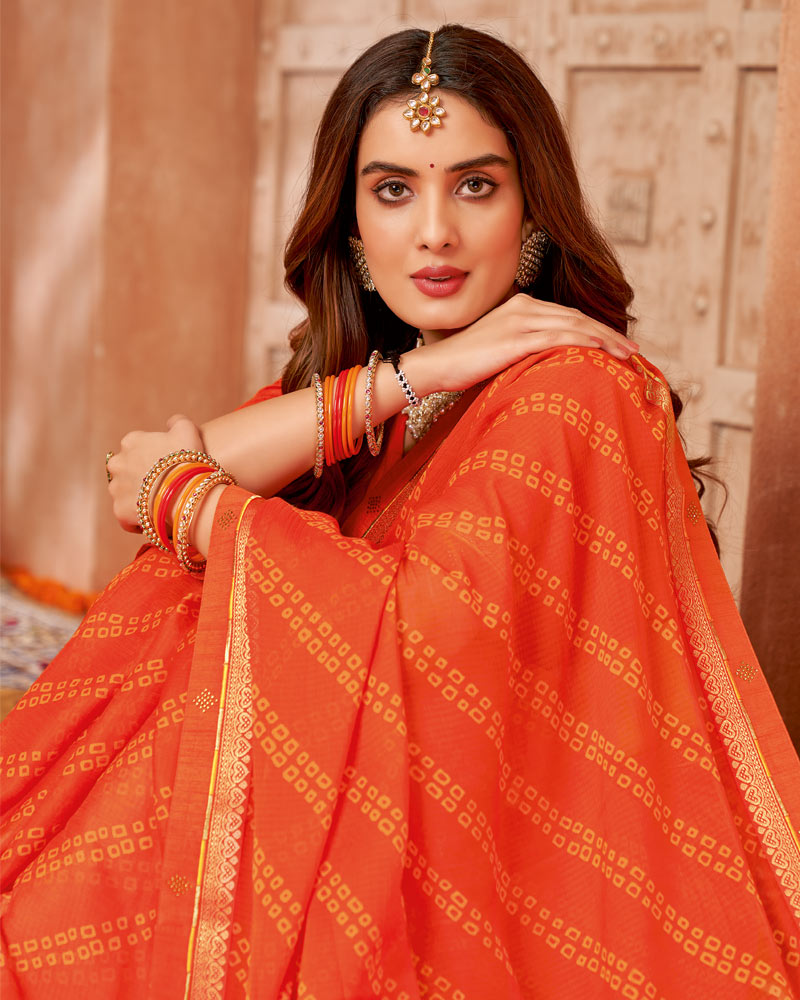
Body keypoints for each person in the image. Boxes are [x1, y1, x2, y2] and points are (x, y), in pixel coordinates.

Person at [1, 23, 798, 1000]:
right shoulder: (395, 383)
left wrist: (202, 509)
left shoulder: (579, 389)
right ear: (349, 226)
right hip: (302, 802)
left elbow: (433, 642)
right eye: (392, 190)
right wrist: (416, 375)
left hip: (463, 865)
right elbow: (145, 473)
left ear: (533, 211)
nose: (434, 232)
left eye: (475, 185)